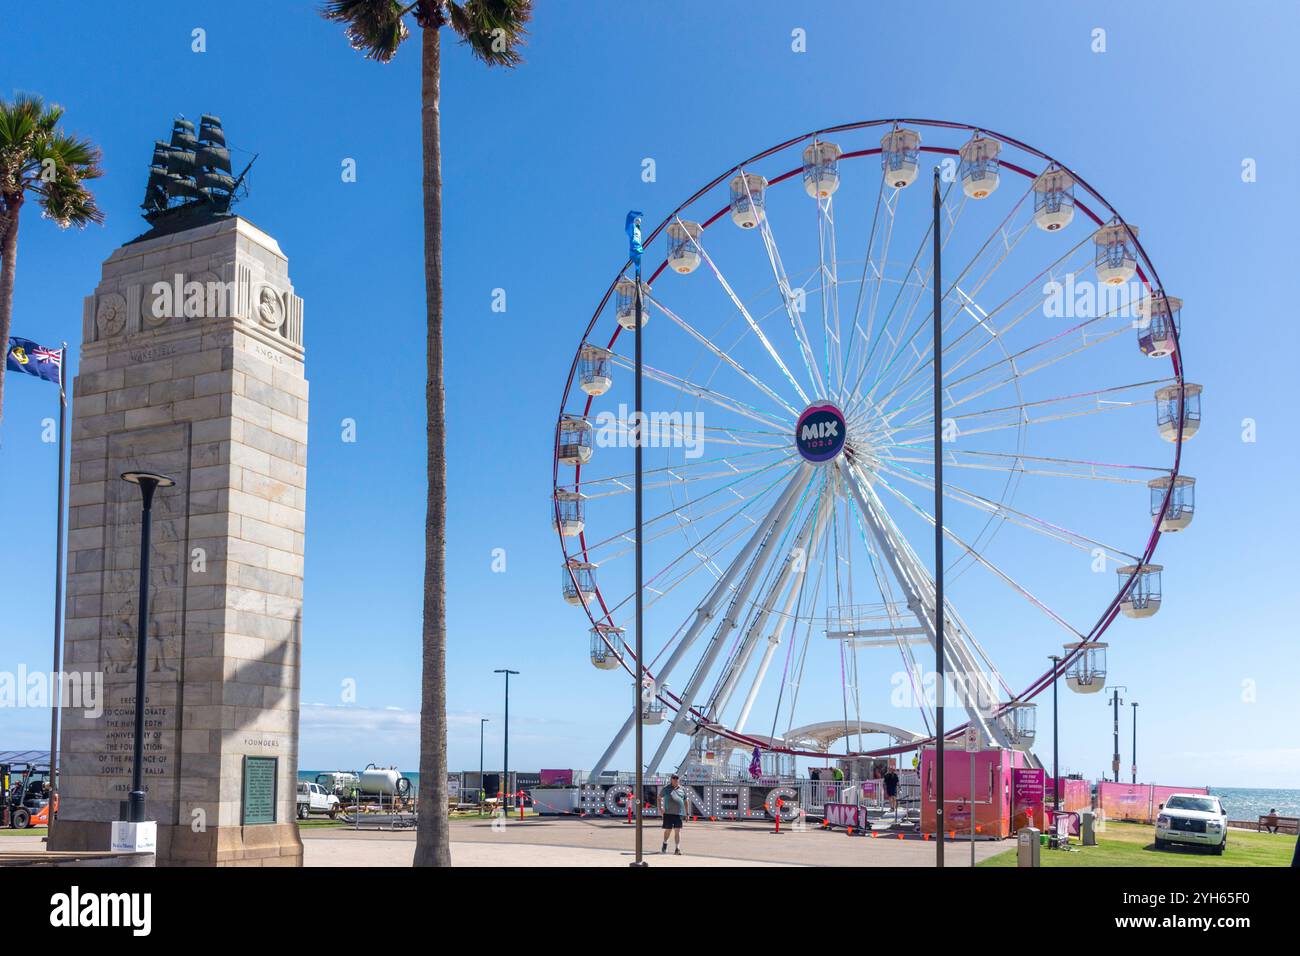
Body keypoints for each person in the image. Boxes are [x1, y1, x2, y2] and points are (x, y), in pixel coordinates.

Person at [659, 774, 687, 855]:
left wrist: (687, 813)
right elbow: (659, 797)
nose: (675, 779)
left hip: (679, 813)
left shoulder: (682, 789)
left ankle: (677, 849)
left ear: (679, 779)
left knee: (677, 831)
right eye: (673, 778)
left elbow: (685, 801)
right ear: (671, 779)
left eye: (676, 778)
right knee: (668, 830)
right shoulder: (666, 788)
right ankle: (665, 843)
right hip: (668, 813)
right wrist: (660, 808)